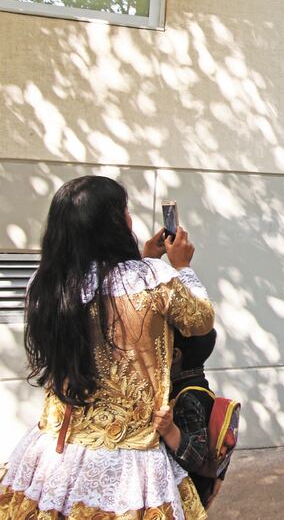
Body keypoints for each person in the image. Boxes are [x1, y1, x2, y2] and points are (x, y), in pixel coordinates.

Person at [0, 176, 214, 517]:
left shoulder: (45, 283)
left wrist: (144, 259)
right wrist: (182, 267)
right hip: (130, 458)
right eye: (125, 210)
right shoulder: (151, 278)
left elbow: (101, 293)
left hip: (56, 449)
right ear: (114, 222)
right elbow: (200, 319)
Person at [154, 329, 228, 509]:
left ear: (175, 355)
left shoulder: (187, 397)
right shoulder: (199, 386)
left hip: (189, 494)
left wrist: (169, 430)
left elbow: (195, 458)